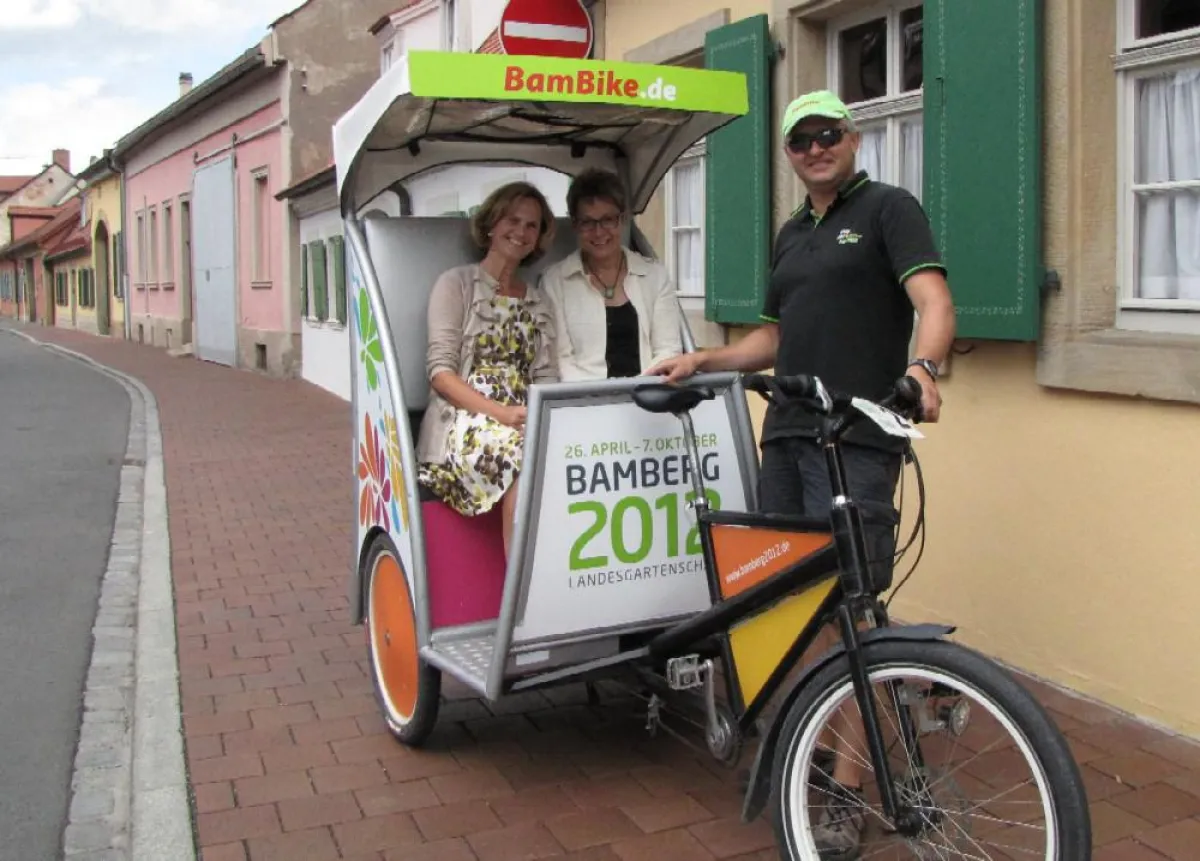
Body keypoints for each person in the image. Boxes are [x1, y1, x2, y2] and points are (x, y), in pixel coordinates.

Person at [647, 90, 956, 857]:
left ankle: (848, 789)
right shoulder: (791, 234)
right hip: (784, 436)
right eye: (799, 140)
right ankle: (824, 730)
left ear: (851, 138)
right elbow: (778, 336)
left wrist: (922, 368)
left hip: (855, 441)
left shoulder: (888, 208)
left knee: (854, 608)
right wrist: (706, 360)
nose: (814, 148)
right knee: (797, 603)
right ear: (788, 154)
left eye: (826, 134)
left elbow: (935, 302)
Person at [416, 181, 559, 552]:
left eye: (532, 225)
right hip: (463, 420)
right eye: (513, 220)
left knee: (565, 449)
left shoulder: (539, 301)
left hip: (523, 416)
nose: (521, 232)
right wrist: (503, 414)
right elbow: (441, 375)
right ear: (492, 224)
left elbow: (546, 377)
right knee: (524, 452)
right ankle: (521, 591)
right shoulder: (456, 284)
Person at [539, 168, 681, 380]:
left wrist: (641, 392)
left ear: (622, 219)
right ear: (575, 225)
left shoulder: (655, 276)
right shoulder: (554, 282)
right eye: (588, 222)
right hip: (582, 403)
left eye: (608, 220)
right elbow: (561, 360)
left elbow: (668, 350)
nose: (599, 232)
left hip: (648, 396)